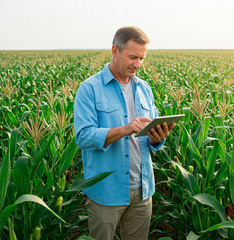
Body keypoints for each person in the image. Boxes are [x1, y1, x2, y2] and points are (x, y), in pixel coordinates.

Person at [74, 26, 175, 240]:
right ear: (115, 50)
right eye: (132, 57)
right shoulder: (89, 89)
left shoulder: (144, 89)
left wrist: (158, 139)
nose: (137, 64)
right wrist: (124, 130)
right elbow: (83, 136)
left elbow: (150, 137)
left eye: (142, 58)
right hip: (106, 193)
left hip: (143, 189)